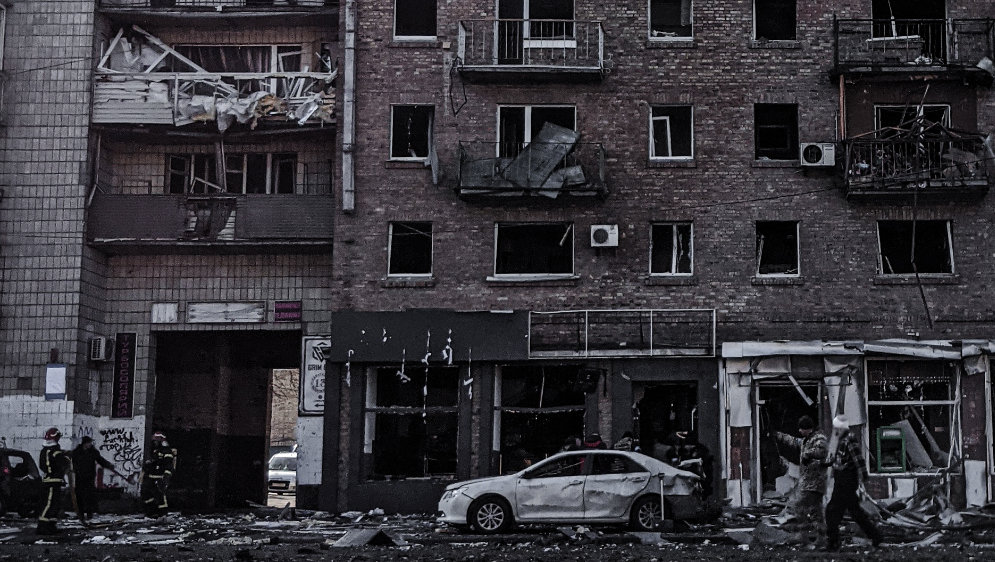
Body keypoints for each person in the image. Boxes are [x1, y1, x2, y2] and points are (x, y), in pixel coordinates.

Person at [824, 415, 883, 551]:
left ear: (841, 428)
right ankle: (876, 536)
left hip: (846, 482)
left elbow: (858, 459)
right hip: (842, 481)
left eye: (836, 428)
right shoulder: (841, 441)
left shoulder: (849, 440)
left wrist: (864, 476)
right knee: (855, 513)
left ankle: (833, 542)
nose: (835, 430)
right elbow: (841, 460)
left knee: (832, 511)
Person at [774, 415, 828, 543]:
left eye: (801, 428)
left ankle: (802, 534)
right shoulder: (806, 440)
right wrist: (780, 436)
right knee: (816, 512)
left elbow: (822, 451)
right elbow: (795, 441)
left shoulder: (819, 438)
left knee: (798, 506)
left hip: (815, 482)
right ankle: (822, 537)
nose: (799, 431)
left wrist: (808, 454)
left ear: (808, 428)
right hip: (809, 483)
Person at [71, 436, 127, 521]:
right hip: (80, 477)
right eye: (89, 443)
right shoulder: (77, 452)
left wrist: (109, 465)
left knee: (89, 495)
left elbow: (100, 460)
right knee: (79, 495)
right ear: (84, 443)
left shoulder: (93, 452)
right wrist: (76, 471)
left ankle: (89, 513)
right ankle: (80, 513)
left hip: (90, 477)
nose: (90, 444)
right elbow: (73, 463)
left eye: (90, 443)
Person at [37, 427, 72, 535]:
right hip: (52, 481)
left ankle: (51, 525)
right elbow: (63, 463)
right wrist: (68, 457)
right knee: (49, 503)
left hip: (51, 480)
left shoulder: (45, 451)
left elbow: (43, 466)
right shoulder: (55, 452)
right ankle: (42, 526)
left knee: (54, 504)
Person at [141, 431, 176, 518]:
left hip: (160, 477)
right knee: (145, 493)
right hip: (151, 477)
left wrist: (166, 477)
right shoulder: (155, 451)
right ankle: (151, 512)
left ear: (161, 440)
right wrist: (147, 466)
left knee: (160, 495)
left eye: (156, 441)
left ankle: (163, 513)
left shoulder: (167, 451)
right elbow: (154, 463)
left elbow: (169, 465)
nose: (154, 442)